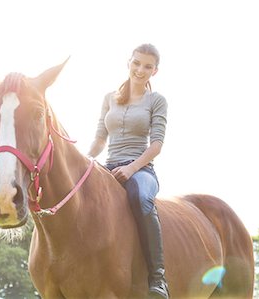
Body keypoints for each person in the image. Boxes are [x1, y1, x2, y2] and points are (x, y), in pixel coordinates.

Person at [88, 43, 169, 299]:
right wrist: (86, 160)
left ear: (155, 71)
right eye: (136, 63)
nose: (140, 70)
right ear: (129, 62)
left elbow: (156, 145)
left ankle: (158, 278)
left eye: (147, 66)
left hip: (141, 169)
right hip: (109, 166)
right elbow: (100, 138)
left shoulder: (156, 101)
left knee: (141, 198)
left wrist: (132, 167)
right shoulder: (109, 98)